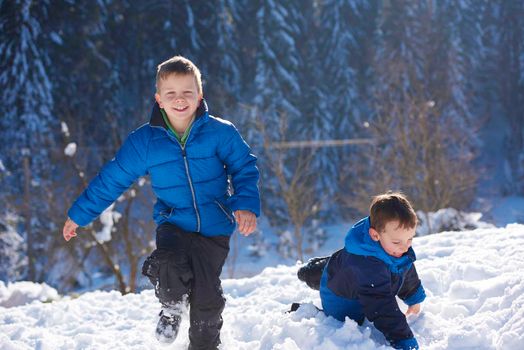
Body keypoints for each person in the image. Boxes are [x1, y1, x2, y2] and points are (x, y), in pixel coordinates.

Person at [62, 55, 260, 349]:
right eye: (171, 94)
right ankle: (171, 308)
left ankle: (204, 345)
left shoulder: (221, 133)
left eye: (187, 93)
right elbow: (112, 178)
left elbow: (244, 167)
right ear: (159, 99)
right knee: (168, 263)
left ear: (200, 96)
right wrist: (79, 214)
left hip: (215, 227)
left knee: (208, 300)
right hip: (173, 222)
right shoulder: (145, 142)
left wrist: (244, 204)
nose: (179, 100)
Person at [296, 192, 426, 350]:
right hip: (341, 296)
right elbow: (381, 306)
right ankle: (306, 294)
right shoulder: (369, 266)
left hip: (346, 268)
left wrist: (414, 297)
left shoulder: (395, 246)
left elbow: (404, 268)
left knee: (344, 268)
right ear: (375, 235)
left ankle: (318, 268)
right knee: (342, 320)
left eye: (410, 239)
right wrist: (404, 340)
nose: (406, 247)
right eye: (397, 241)